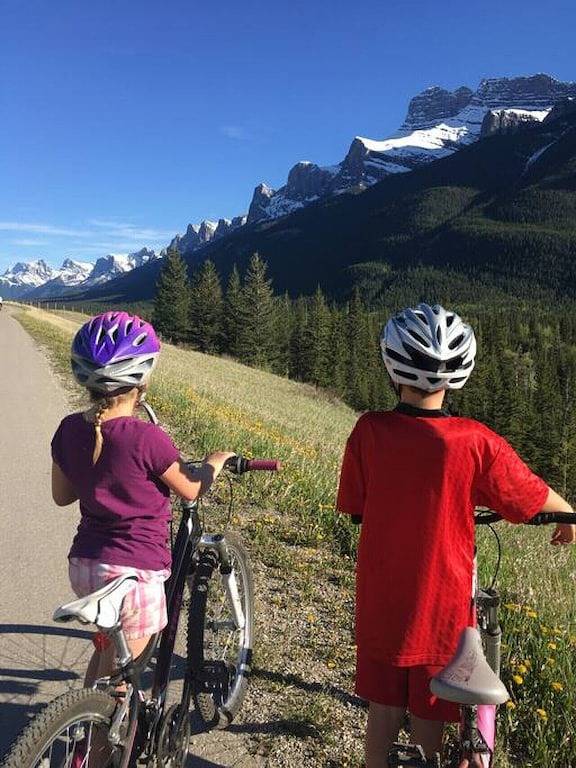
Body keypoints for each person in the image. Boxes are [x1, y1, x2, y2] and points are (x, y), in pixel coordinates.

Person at [336, 302, 576, 767]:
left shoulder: (368, 431)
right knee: (432, 709)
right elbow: (527, 494)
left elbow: (356, 510)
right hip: (442, 609)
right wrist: (565, 512)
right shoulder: (474, 441)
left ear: (393, 368)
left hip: (381, 603)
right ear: (456, 375)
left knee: (383, 712)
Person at [51, 311, 234, 696]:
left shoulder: (68, 429)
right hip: (134, 574)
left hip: (85, 567)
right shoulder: (146, 438)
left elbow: (62, 496)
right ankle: (104, 733)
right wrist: (215, 463)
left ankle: (84, 721)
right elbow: (191, 489)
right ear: (143, 380)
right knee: (122, 682)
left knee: (106, 654)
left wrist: (96, 473)